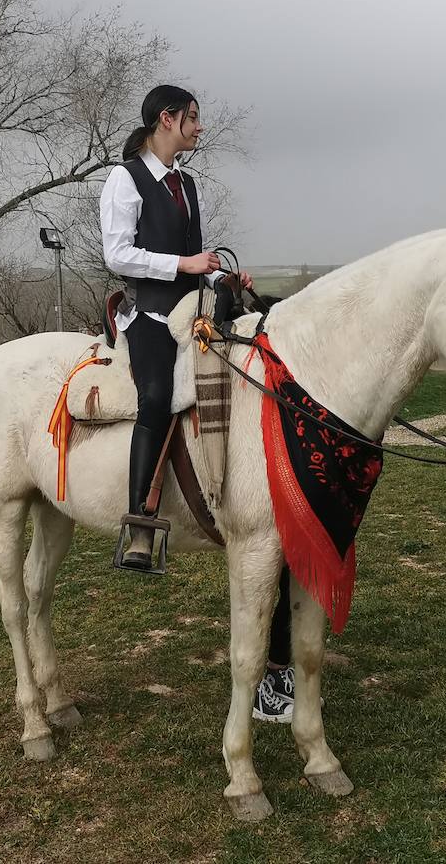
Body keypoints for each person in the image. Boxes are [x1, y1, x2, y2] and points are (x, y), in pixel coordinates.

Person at [100, 85, 297, 719]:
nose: (199, 127)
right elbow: (118, 255)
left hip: (192, 308)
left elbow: (195, 261)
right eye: (192, 118)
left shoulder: (186, 185)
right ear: (167, 119)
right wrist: (185, 264)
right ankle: (140, 518)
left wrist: (219, 276)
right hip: (148, 317)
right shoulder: (125, 180)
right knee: (157, 395)